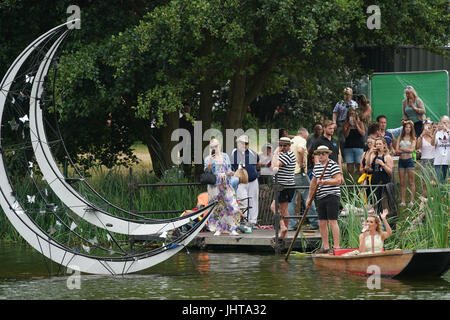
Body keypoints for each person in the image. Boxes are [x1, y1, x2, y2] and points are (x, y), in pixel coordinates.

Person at [306, 145, 343, 254]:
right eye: (319, 153)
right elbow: (313, 183)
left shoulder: (333, 165)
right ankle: (326, 247)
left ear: (327, 154)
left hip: (332, 195)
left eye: (323, 153)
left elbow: (338, 180)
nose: (321, 155)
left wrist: (325, 182)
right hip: (321, 196)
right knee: (321, 222)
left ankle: (336, 247)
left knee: (332, 221)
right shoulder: (317, 167)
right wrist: (309, 198)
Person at [204, 139, 240, 236]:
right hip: (214, 186)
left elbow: (229, 169)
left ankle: (232, 228)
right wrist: (210, 162)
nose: (214, 148)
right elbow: (206, 172)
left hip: (225, 184)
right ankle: (218, 229)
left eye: (216, 146)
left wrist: (230, 173)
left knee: (231, 205)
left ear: (219, 146)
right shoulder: (208, 158)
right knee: (217, 208)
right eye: (212, 147)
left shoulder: (225, 156)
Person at [287, 128, 318, 231]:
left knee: (291, 200)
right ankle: (314, 222)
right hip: (299, 173)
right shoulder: (302, 140)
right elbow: (300, 150)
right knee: (308, 196)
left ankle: (291, 224)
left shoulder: (290, 142)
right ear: (304, 135)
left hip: (289, 173)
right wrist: (301, 163)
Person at [230, 135, 260, 228]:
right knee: (242, 200)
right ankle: (243, 220)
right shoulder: (232, 153)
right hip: (240, 181)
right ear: (238, 143)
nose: (244, 145)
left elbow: (258, 164)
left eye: (246, 143)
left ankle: (253, 221)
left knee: (253, 200)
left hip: (252, 180)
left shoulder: (253, 153)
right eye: (242, 143)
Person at [270, 137, 296, 239]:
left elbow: (274, 165)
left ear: (289, 146)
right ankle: (284, 232)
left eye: (285, 145)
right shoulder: (283, 155)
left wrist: (275, 154)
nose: (282, 147)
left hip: (285, 186)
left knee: (275, 207)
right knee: (283, 209)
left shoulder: (287, 155)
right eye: (280, 145)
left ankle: (283, 227)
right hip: (283, 186)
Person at [366, 137, 393, 213]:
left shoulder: (387, 157)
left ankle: (386, 220)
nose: (378, 145)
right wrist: (370, 153)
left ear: (384, 145)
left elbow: (390, 172)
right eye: (376, 144)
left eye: (380, 144)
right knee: (374, 203)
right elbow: (368, 166)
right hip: (375, 182)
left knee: (384, 203)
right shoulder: (374, 156)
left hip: (384, 183)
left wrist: (383, 164)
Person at [395, 120, 417, 207]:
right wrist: (403, 150)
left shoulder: (413, 138)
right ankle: (403, 201)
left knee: (411, 181)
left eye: (409, 127)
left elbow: (412, 150)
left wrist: (402, 149)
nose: (408, 129)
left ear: (411, 129)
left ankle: (411, 200)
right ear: (404, 128)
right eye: (406, 127)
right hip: (401, 161)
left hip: (409, 161)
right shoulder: (400, 137)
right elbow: (396, 150)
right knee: (402, 182)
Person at [333, 87, 358, 155]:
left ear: (351, 95)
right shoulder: (339, 103)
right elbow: (335, 113)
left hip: (352, 123)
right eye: (345, 94)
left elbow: (357, 114)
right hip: (342, 122)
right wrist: (334, 122)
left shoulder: (354, 104)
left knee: (351, 138)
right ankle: (342, 155)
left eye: (349, 94)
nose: (347, 96)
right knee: (342, 140)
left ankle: (349, 154)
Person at [416, 121, 436, 199]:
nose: (428, 129)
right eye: (426, 127)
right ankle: (425, 199)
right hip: (425, 160)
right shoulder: (421, 138)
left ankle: (433, 199)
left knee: (433, 182)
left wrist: (432, 134)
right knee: (425, 183)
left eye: (429, 128)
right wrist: (422, 135)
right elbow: (417, 147)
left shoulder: (434, 137)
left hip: (434, 160)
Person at [343, 107, 365, 174]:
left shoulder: (360, 123)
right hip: (348, 147)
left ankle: (359, 181)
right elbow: (345, 135)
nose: (351, 115)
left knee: (359, 165)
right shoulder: (346, 124)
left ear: (356, 114)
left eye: (353, 114)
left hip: (358, 147)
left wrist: (356, 125)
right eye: (350, 114)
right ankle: (351, 182)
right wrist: (349, 127)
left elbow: (363, 134)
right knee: (350, 166)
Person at [433, 115, 450, 184]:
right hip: (439, 161)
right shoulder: (438, 133)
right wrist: (434, 132)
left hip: (448, 162)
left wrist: (448, 131)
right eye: (442, 123)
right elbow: (434, 144)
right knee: (441, 184)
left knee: (448, 184)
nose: (443, 125)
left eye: (445, 122)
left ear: (449, 123)